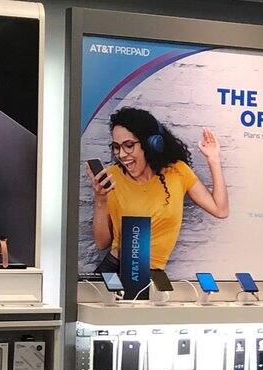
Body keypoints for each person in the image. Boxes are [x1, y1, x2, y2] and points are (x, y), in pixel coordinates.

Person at [89, 106, 229, 273]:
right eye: (117, 147)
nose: (122, 154)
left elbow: (220, 210)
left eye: (129, 145)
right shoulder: (112, 177)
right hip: (115, 268)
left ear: (151, 144)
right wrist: (100, 199)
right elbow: (102, 243)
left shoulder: (177, 172)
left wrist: (213, 159)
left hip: (152, 273)